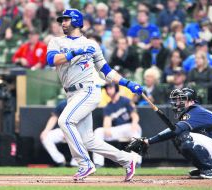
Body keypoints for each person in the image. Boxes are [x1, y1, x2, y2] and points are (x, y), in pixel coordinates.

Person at [46, 9, 143, 181]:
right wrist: (75, 52)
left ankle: (85, 164)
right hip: (71, 93)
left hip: (88, 90)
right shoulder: (56, 41)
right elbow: (52, 60)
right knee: (88, 140)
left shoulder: (92, 45)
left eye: (66, 20)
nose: (62, 23)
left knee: (65, 121)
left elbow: (106, 72)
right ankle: (128, 160)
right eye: (62, 20)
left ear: (76, 21)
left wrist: (128, 83)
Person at [141, 88, 212, 179]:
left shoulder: (196, 111)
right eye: (177, 100)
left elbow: (175, 130)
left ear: (191, 101)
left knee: (183, 136)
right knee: (178, 138)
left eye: (181, 99)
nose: (177, 103)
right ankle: (204, 167)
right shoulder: (193, 111)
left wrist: (149, 141)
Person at [93, 82, 142, 167]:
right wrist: (106, 128)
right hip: (117, 130)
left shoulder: (126, 100)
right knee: (98, 131)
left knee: (136, 131)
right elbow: (107, 120)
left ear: (116, 88)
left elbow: (135, 116)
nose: (108, 90)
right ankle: (98, 163)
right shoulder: (108, 106)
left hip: (129, 127)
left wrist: (134, 123)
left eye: (110, 88)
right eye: (107, 88)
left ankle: (136, 162)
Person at [40, 100, 78, 167]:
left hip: (78, 131)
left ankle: (76, 163)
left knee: (85, 137)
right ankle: (60, 161)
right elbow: (54, 117)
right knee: (45, 137)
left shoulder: (83, 105)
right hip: (61, 130)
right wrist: (46, 130)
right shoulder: (63, 103)